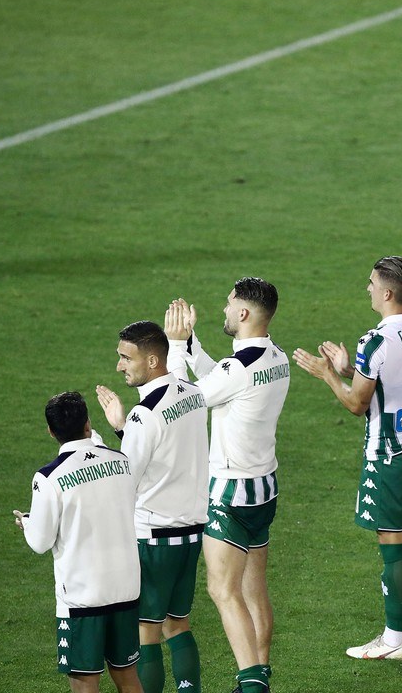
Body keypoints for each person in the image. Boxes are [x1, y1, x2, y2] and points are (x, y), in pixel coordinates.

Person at [293, 256, 402, 660]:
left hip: (390, 454)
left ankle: (394, 640)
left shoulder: (375, 341)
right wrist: (351, 369)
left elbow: (356, 405)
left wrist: (329, 374)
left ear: (387, 292)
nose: (368, 288)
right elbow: (391, 382)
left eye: (372, 283)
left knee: (392, 542)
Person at [163, 277, 290, 693]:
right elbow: (221, 379)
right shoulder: (275, 356)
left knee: (223, 590)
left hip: (230, 492)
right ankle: (261, 672)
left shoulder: (240, 369)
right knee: (254, 590)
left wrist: (176, 347)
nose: (224, 309)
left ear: (244, 313)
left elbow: (183, 401)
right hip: (263, 488)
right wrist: (192, 342)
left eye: (229, 304)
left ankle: (251, 685)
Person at [95, 321, 209, 693]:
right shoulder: (193, 393)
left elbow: (125, 480)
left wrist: (117, 432)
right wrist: (125, 429)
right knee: (178, 625)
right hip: (191, 534)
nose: (120, 366)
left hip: (154, 539)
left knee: (146, 631)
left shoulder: (144, 415)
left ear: (153, 360)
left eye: (126, 358)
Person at [15, 391, 143, 693]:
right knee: (127, 677)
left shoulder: (48, 477)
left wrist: (27, 522)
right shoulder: (122, 461)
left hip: (83, 598)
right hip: (126, 588)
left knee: (84, 683)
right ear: (88, 424)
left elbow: (40, 542)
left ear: (51, 432)